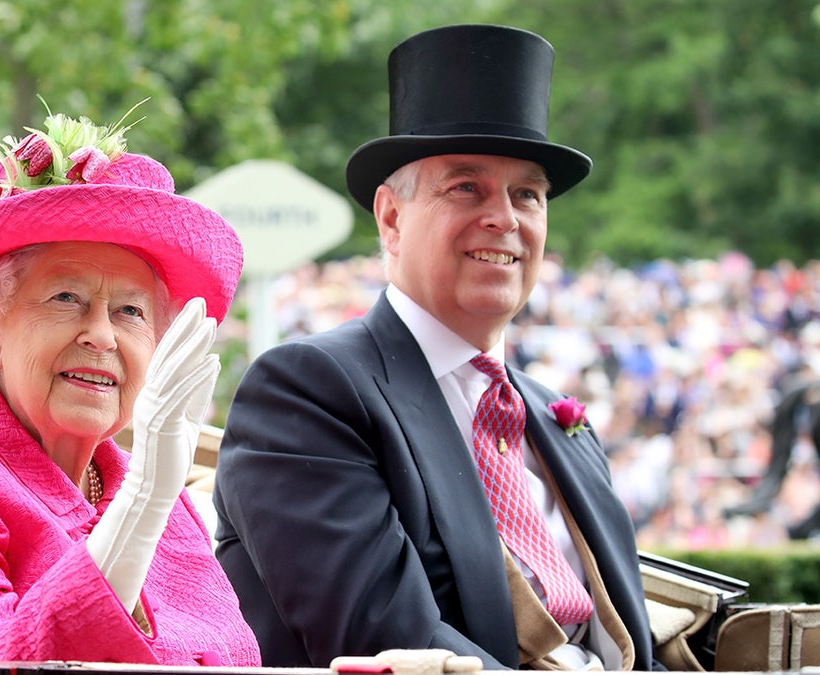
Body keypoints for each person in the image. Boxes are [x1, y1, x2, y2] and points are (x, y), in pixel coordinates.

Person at [213, 24, 657, 670]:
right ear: (391, 217)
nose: (503, 217)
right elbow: (385, 637)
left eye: (526, 194)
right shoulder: (310, 392)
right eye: (466, 188)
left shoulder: (561, 421)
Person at [0, 102, 260, 665]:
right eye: (66, 298)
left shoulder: (154, 490)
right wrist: (141, 505)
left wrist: (150, 494)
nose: (102, 335)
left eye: (131, 311)